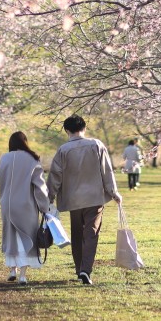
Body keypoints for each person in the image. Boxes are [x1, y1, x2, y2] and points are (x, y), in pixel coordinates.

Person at [47, 115, 122, 286]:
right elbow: (107, 171)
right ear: (84, 128)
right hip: (95, 197)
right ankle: (85, 270)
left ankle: (79, 268)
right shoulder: (96, 145)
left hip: (73, 199)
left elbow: (55, 177)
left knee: (77, 234)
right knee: (91, 234)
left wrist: (49, 198)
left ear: (66, 130)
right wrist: (114, 192)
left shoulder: (63, 150)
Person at [0, 131, 52, 285]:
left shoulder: (4, 158)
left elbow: (2, 183)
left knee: (11, 237)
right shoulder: (32, 159)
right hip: (26, 205)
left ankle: (12, 270)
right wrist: (44, 206)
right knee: (25, 238)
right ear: (25, 142)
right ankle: (22, 275)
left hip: (7, 203)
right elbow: (39, 187)